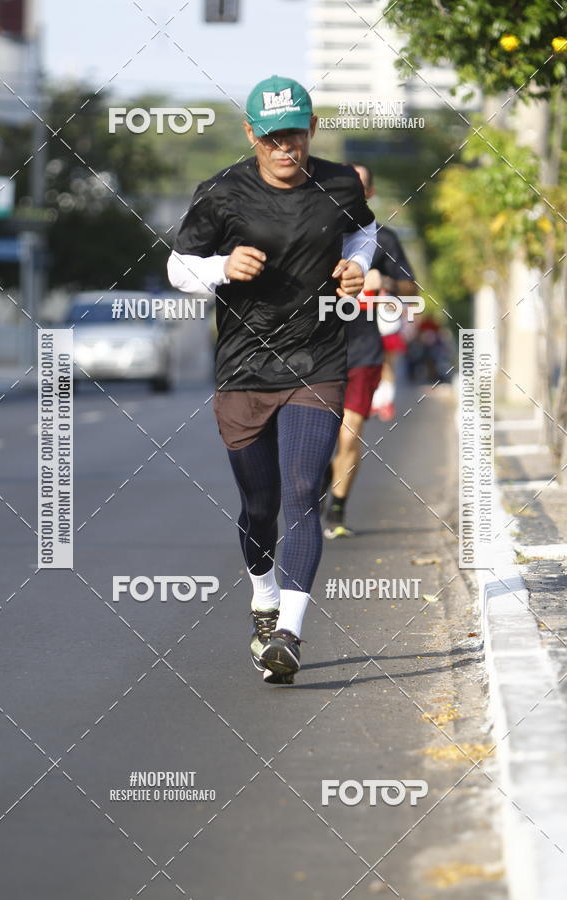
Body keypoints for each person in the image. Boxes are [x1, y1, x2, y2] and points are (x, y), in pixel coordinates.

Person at [167, 76, 376, 683]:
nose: (286, 149)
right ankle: (263, 593)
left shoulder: (336, 183)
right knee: (260, 509)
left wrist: (355, 265)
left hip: (316, 362)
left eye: (296, 136)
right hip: (243, 371)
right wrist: (222, 266)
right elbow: (178, 269)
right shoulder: (222, 195)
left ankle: (289, 631)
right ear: (251, 134)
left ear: (311, 130)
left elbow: (363, 230)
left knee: (303, 489)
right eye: (273, 138)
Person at [323, 163, 417, 539]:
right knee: (315, 437)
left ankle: (337, 510)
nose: (349, 194)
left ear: (369, 195)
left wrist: (387, 280)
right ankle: (318, 478)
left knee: (349, 435)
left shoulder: (384, 239)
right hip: (315, 351)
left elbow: (412, 290)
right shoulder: (315, 233)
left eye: (357, 188)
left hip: (363, 349)